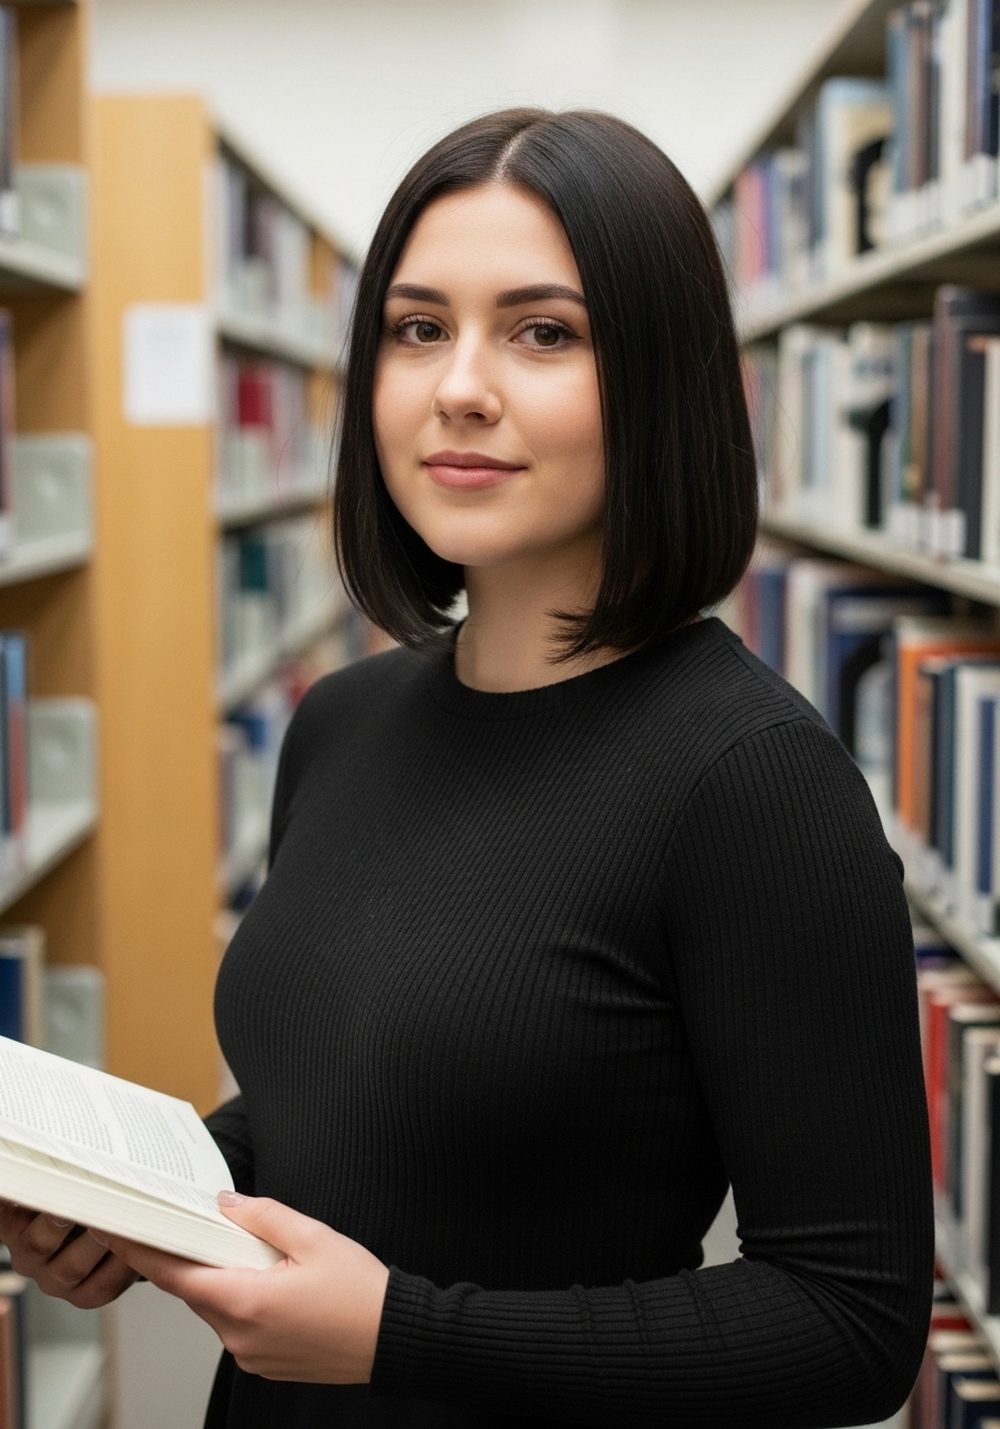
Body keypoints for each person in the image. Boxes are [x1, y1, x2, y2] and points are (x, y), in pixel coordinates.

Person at [0, 107, 933, 1427]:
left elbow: (852, 1319)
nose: (460, 386)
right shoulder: (343, 718)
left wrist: (399, 1334)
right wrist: (157, 1195)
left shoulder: (755, 784)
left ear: (660, 378)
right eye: (418, 327)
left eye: (543, 331)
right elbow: (361, 1097)